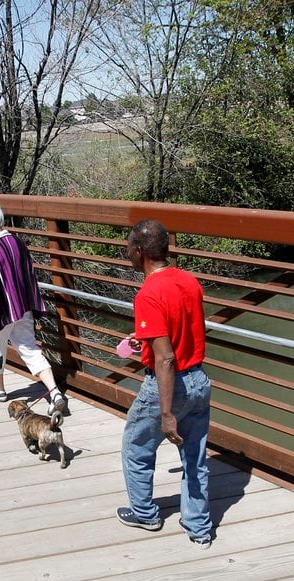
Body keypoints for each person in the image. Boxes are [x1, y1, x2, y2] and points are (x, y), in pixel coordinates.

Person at [116, 219, 213, 548]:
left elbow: (166, 359)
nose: (127, 252)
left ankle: (145, 513)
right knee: (195, 458)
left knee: (136, 448)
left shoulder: (148, 293)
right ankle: (199, 527)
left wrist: (167, 412)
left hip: (168, 386)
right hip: (199, 380)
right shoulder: (189, 281)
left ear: (139, 252)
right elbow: (184, 328)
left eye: (129, 247)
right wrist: (144, 338)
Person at [0, 201, 67, 415]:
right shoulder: (18, 242)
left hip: (1, 313)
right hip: (22, 307)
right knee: (30, 349)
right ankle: (54, 393)